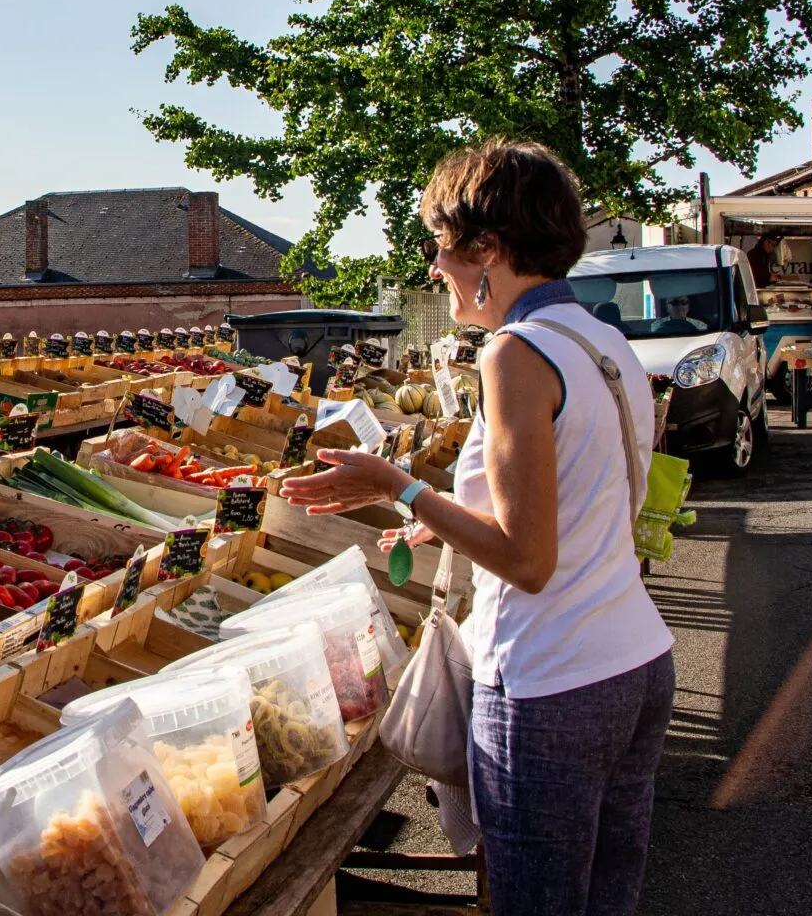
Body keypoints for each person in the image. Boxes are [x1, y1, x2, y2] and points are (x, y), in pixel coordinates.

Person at [281, 141, 673, 916]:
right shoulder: (603, 341)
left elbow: (529, 561)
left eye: (441, 246)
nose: (434, 268)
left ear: (488, 248)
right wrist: (442, 525)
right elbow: (584, 493)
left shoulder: (514, 354)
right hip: (635, 661)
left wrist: (397, 488)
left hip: (551, 683)